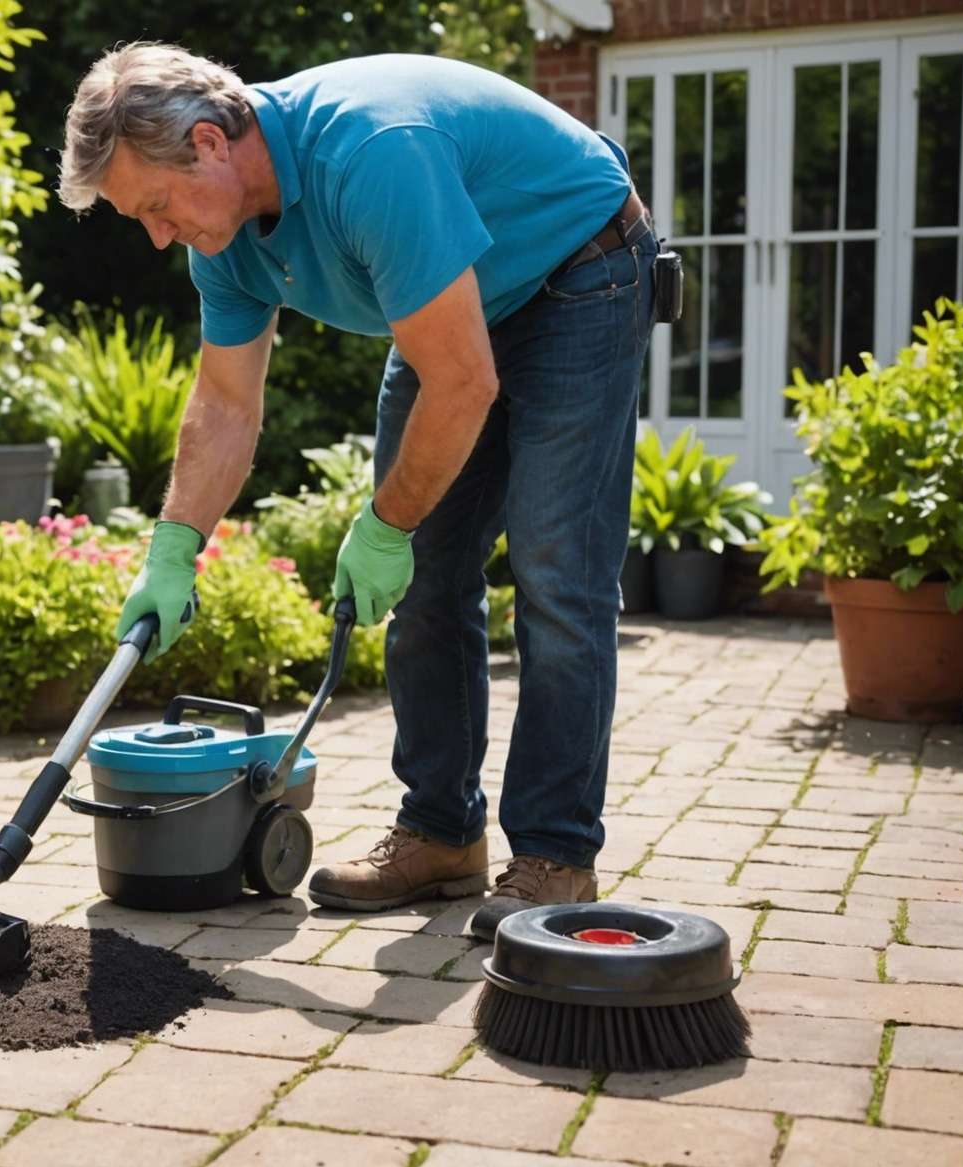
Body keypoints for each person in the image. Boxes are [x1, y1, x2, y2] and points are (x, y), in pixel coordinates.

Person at [59, 44, 662, 938]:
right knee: (425, 582)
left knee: (555, 575)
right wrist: (174, 547)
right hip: (460, 306)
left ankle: (554, 855)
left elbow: (462, 382)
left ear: (213, 143)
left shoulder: (370, 155)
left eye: (154, 206)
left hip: (580, 271)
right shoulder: (221, 240)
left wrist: (386, 523)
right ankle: (441, 833)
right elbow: (226, 403)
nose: (156, 234)